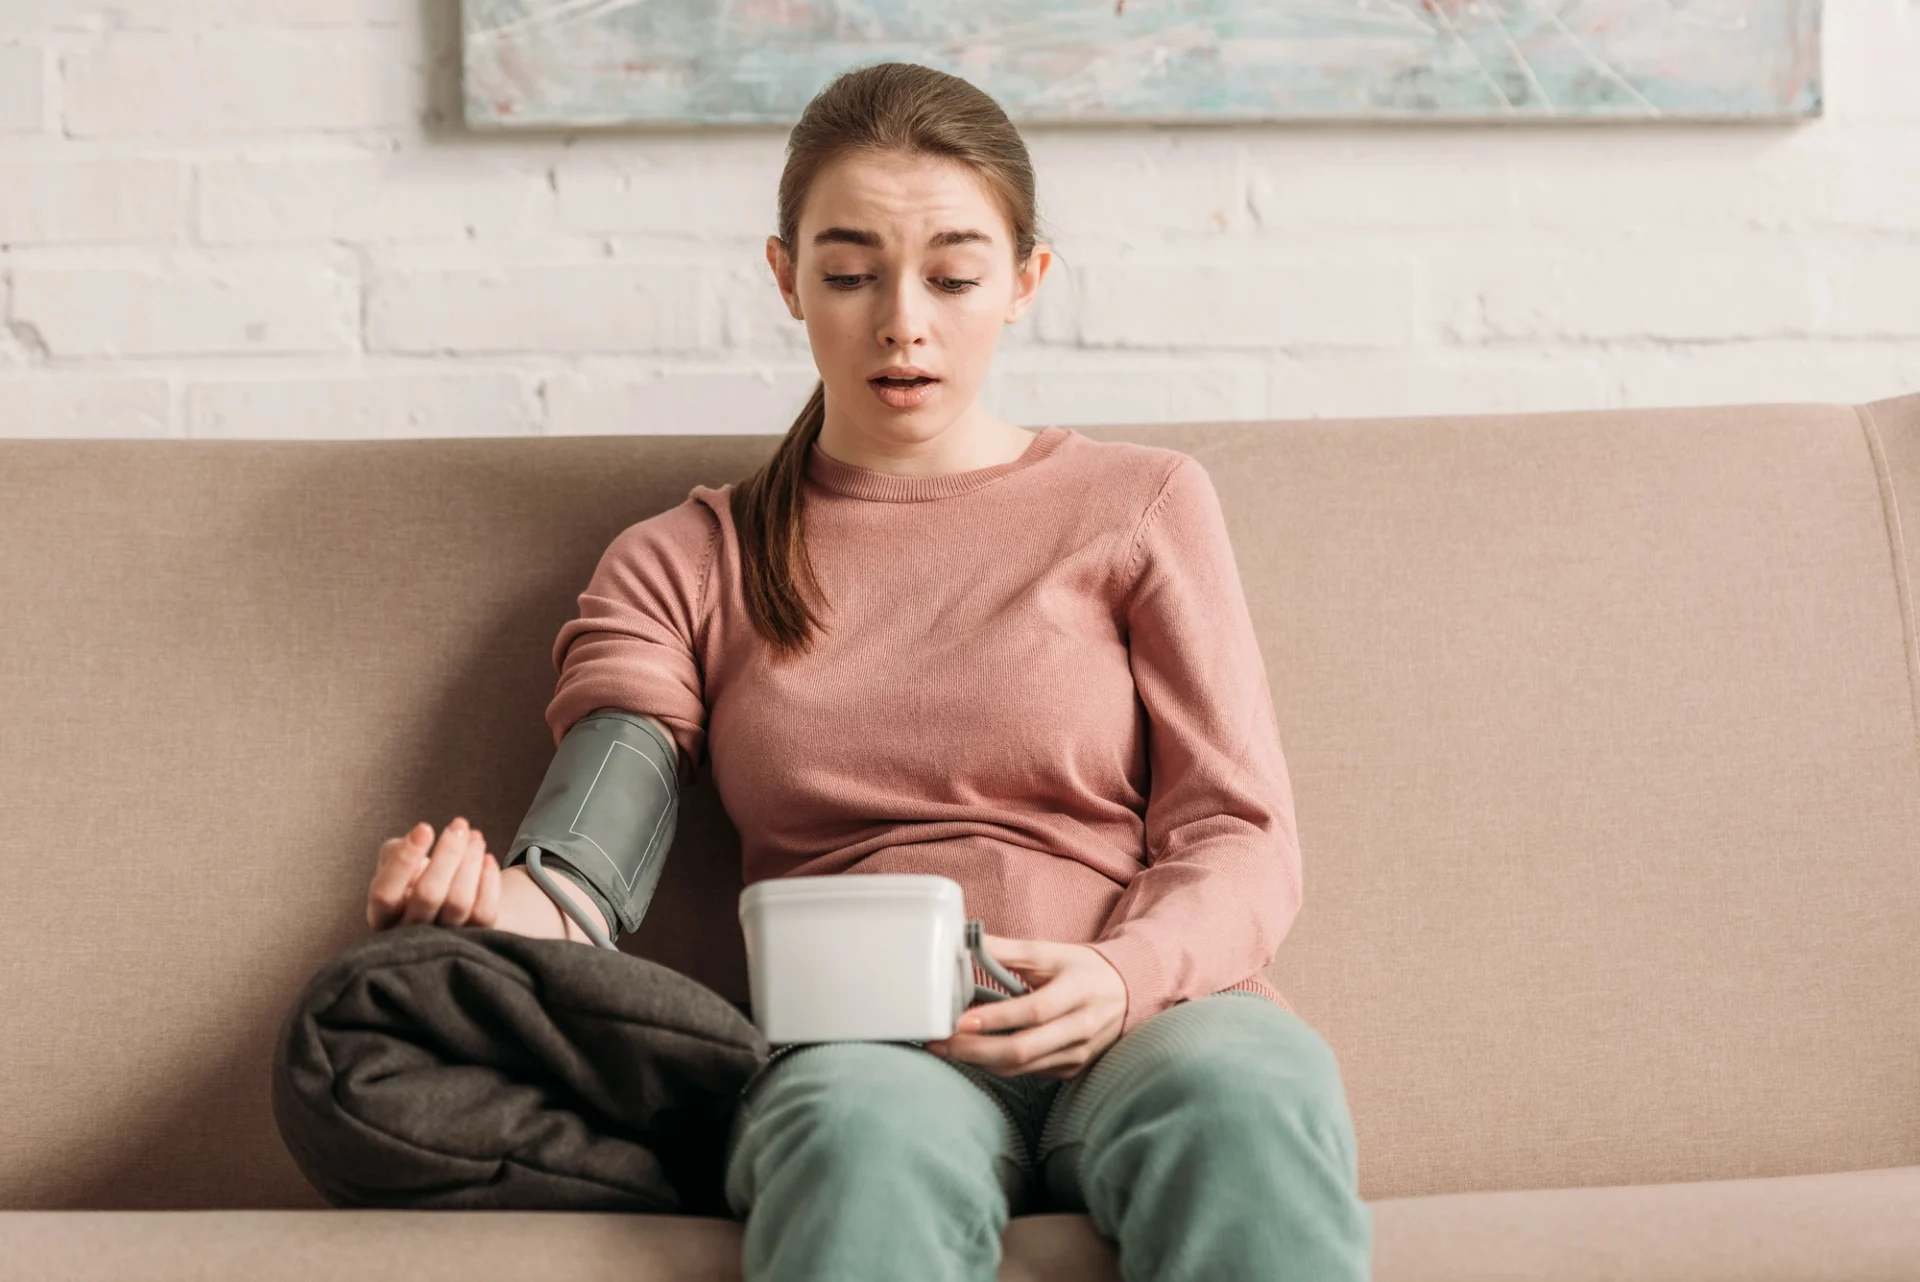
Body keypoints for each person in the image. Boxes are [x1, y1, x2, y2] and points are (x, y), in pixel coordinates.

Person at [361, 59, 1372, 1282]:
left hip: (1156, 1020)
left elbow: (1242, 833)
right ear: (785, 278)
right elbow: (580, 869)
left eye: (954, 276)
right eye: (849, 273)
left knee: (1248, 1099)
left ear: (1025, 283)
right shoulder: (691, 558)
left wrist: (1122, 976)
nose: (904, 319)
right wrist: (474, 914)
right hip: (874, 1057)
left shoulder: (1143, 505)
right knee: (852, 1141)